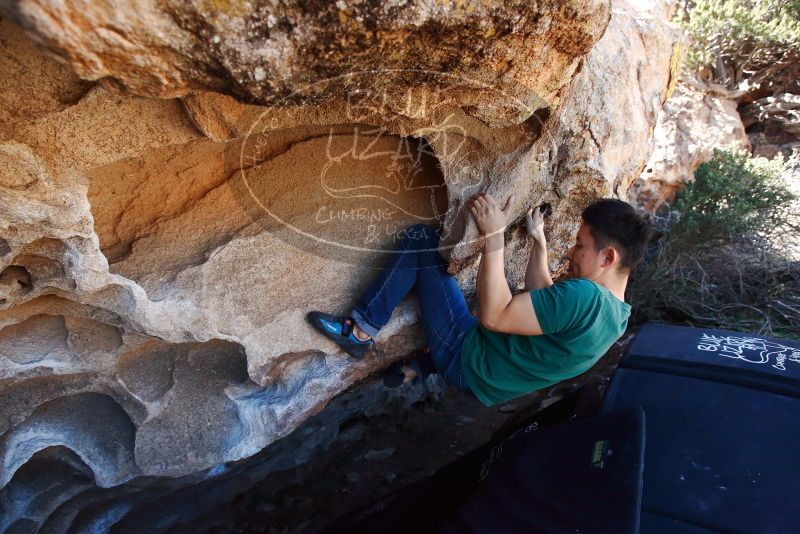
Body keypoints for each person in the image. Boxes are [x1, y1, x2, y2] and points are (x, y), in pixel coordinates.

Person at [306, 194, 652, 406]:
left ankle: (360, 332)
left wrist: (494, 234)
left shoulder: (584, 296)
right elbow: (548, 303)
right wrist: (538, 244)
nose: (573, 252)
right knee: (469, 306)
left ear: (608, 257)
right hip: (486, 384)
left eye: (580, 244)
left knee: (422, 241)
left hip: (464, 355)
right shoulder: (615, 316)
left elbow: (496, 316)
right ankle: (423, 367)